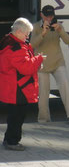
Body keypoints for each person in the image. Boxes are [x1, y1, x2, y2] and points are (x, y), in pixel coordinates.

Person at [0, 18, 44, 151]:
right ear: (18, 31)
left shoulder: (8, 41)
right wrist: (39, 59)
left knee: (14, 115)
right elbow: (26, 68)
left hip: (13, 86)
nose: (27, 37)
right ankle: (12, 142)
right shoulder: (16, 47)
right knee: (17, 116)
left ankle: (9, 139)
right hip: (18, 88)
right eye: (26, 34)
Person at [30, 5, 69, 125]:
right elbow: (32, 45)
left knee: (66, 86)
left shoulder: (58, 25)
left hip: (57, 61)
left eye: (51, 16)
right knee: (43, 93)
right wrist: (43, 33)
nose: (50, 18)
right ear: (42, 15)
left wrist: (60, 31)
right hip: (42, 63)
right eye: (47, 16)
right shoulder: (36, 27)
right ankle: (43, 119)